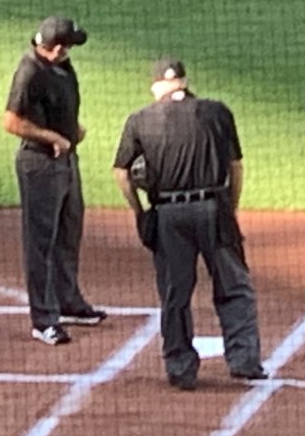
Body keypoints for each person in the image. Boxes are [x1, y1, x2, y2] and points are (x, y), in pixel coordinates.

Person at [112, 58, 266, 391]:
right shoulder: (216, 112)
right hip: (214, 209)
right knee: (234, 287)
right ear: (184, 81)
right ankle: (244, 361)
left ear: (157, 86)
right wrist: (230, 209)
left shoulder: (140, 120)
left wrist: (140, 212)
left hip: (168, 214)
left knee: (175, 294)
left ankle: (181, 368)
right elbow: (235, 167)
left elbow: (122, 173)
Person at [3, 15, 106, 346]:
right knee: (41, 242)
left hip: (66, 161)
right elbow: (11, 121)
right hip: (40, 165)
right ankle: (43, 319)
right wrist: (52, 137)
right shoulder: (30, 72)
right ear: (56, 47)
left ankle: (68, 302)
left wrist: (70, 132)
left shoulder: (62, 64)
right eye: (69, 44)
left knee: (69, 230)